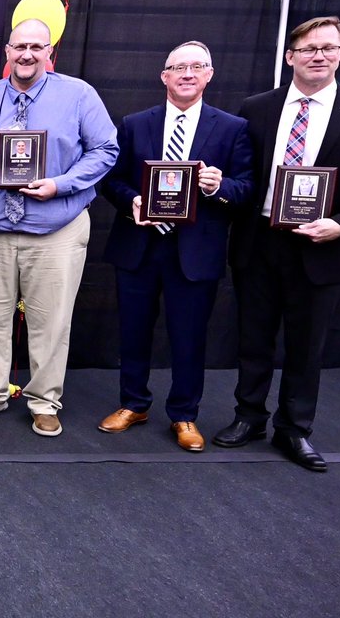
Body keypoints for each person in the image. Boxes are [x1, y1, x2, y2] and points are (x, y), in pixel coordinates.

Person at [214, 16, 340, 471]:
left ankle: (294, 430)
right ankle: (249, 416)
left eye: (328, 48)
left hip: (320, 246)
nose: (319, 55)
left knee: (306, 344)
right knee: (253, 338)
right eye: (309, 48)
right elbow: (244, 175)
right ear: (290, 56)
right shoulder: (256, 107)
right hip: (259, 241)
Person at [0, 19, 118, 436]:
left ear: (51, 51)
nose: (27, 54)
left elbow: (106, 150)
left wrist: (60, 184)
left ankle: (44, 400)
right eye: (19, 46)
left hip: (56, 230)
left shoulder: (79, 95)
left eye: (36, 46)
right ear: (7, 51)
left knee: (50, 322)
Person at [99, 41, 253, 451]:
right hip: (139, 244)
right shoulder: (134, 123)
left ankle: (184, 415)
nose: (187, 73)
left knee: (189, 337)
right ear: (163, 76)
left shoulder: (232, 128)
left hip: (195, 251)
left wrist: (220, 186)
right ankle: (134, 403)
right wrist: (132, 201)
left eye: (196, 66)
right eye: (177, 67)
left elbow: (247, 188)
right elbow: (111, 180)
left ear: (209, 75)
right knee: (133, 332)